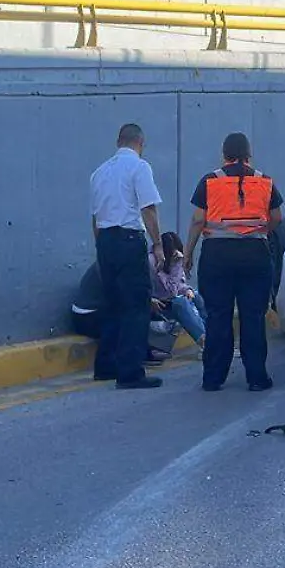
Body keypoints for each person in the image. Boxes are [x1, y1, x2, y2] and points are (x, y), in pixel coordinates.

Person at [185, 132, 284, 392]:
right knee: (253, 316)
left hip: (217, 256)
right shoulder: (264, 181)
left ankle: (213, 378)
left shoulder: (209, 181)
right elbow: (277, 217)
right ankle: (257, 378)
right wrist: (260, 231)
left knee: (218, 316)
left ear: (224, 155)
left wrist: (187, 254)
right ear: (248, 155)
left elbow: (198, 220)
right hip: (255, 254)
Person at [89, 123, 164, 388]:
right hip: (129, 239)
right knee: (136, 306)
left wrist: (102, 249)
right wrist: (157, 245)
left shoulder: (99, 172)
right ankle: (130, 372)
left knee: (113, 304)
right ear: (140, 143)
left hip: (106, 241)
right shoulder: (139, 167)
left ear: (118, 141)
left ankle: (106, 365)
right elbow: (148, 209)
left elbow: (95, 219)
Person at [152, 231, 207, 348]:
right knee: (180, 303)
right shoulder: (152, 262)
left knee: (197, 296)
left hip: (168, 300)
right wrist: (175, 265)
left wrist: (188, 290)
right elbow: (172, 290)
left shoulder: (174, 262)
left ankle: (210, 336)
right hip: (156, 304)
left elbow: (179, 285)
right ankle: (205, 342)